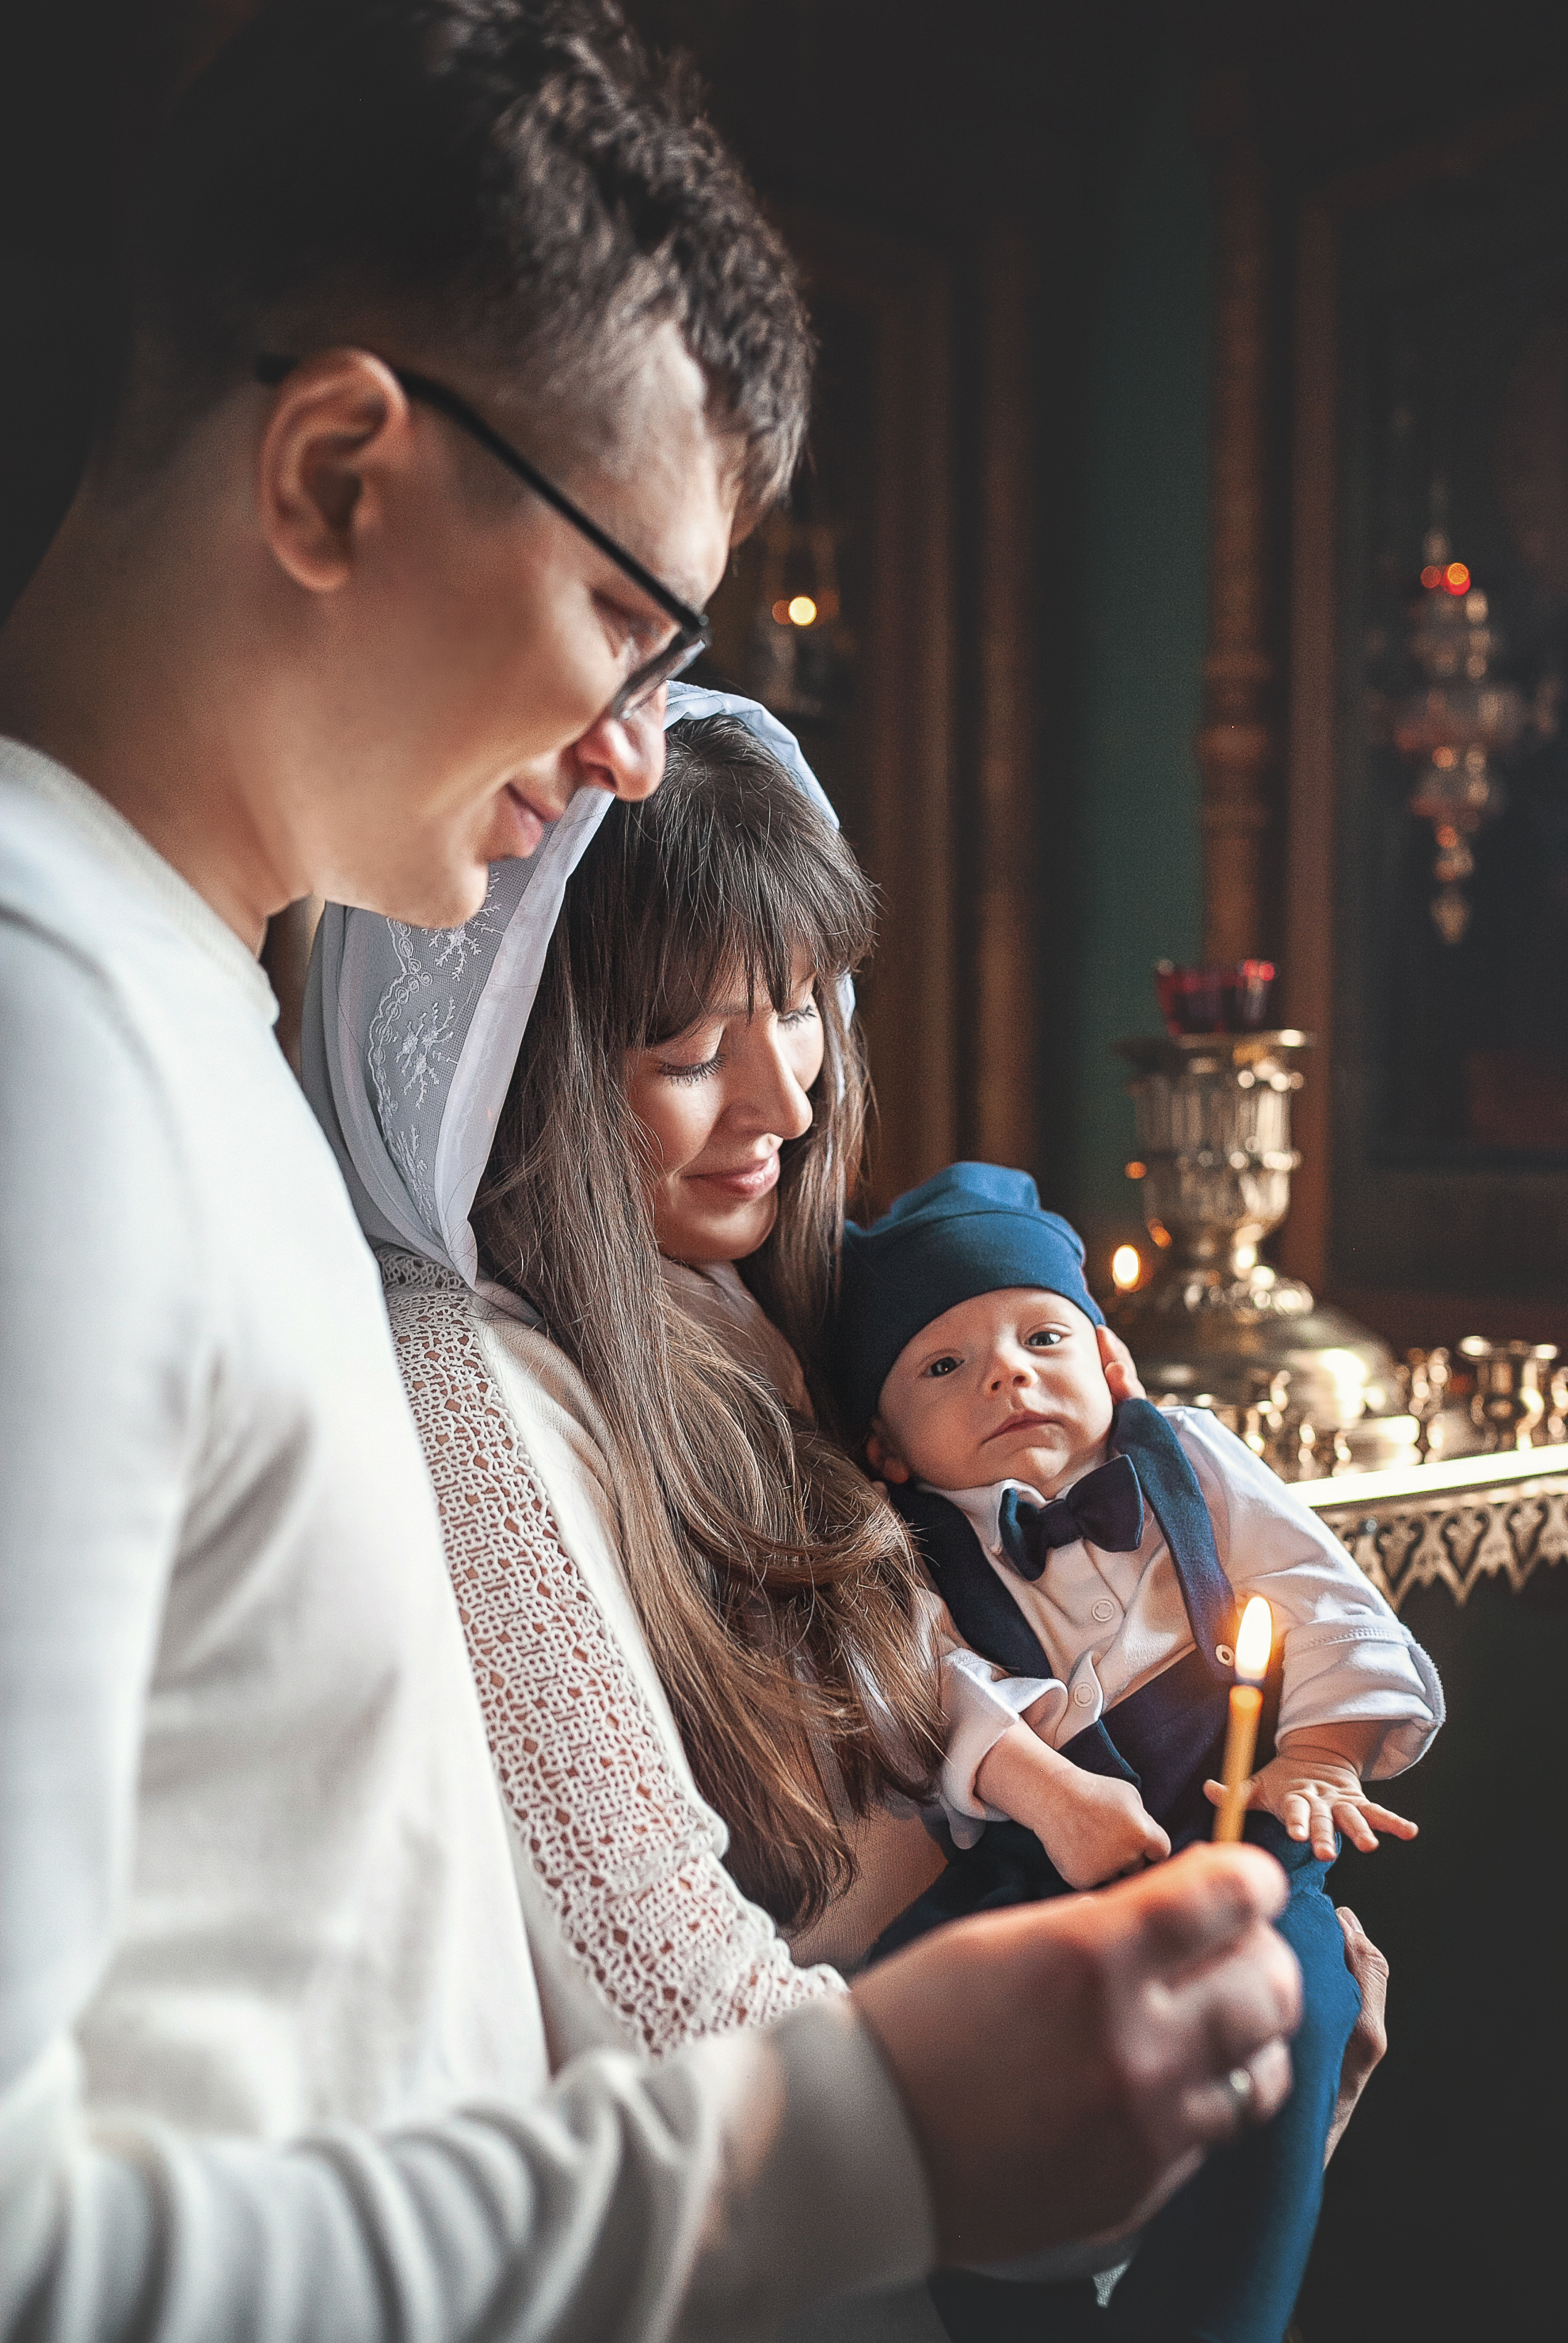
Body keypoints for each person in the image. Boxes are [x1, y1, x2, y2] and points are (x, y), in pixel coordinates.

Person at [0, 6, 1304, 2340]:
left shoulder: (183, 1027)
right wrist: (874, 2140)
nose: (631, 753)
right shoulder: (48, 1053)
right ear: (336, 477)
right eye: (623, 615)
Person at [304, 694, 1394, 2337]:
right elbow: (665, 1989)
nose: (787, 1102)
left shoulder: (784, 1301)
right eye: (690, 1053)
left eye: (805, 1007)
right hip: (829, 2165)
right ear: (520, 1063)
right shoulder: (478, 1385)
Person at [829, 1163, 1445, 2341]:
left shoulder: (1193, 1458)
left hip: (1240, 1834)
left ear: (1113, 1363)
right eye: (944, 1366)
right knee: (925, 2049)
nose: (1007, 1373)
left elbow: (1326, 1601)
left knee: (1297, 1996)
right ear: (885, 1446)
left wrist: (1320, 1756)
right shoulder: (901, 1548)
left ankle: (1213, 2316)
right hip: (1041, 1865)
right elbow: (931, 1691)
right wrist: (1052, 1795)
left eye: (1042, 1337)